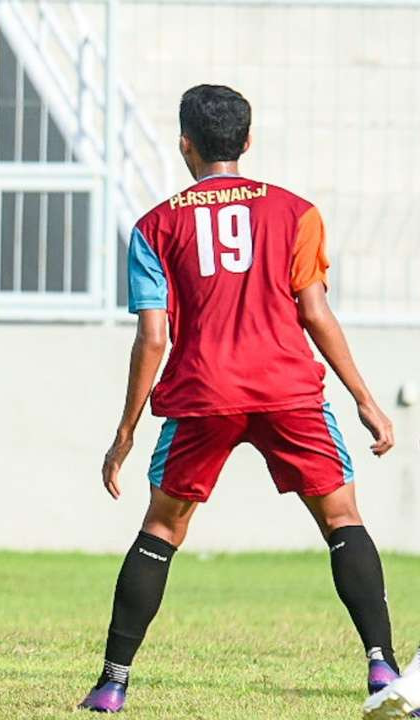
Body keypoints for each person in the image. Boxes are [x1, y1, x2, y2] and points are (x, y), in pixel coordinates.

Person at [78, 84, 398, 713]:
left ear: (184, 145)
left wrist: (125, 430)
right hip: (288, 390)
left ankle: (112, 684)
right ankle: (382, 669)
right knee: (342, 521)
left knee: (162, 530)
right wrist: (364, 398)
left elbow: (152, 335)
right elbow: (315, 311)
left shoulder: (155, 225)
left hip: (203, 392)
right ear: (247, 142)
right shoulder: (296, 213)